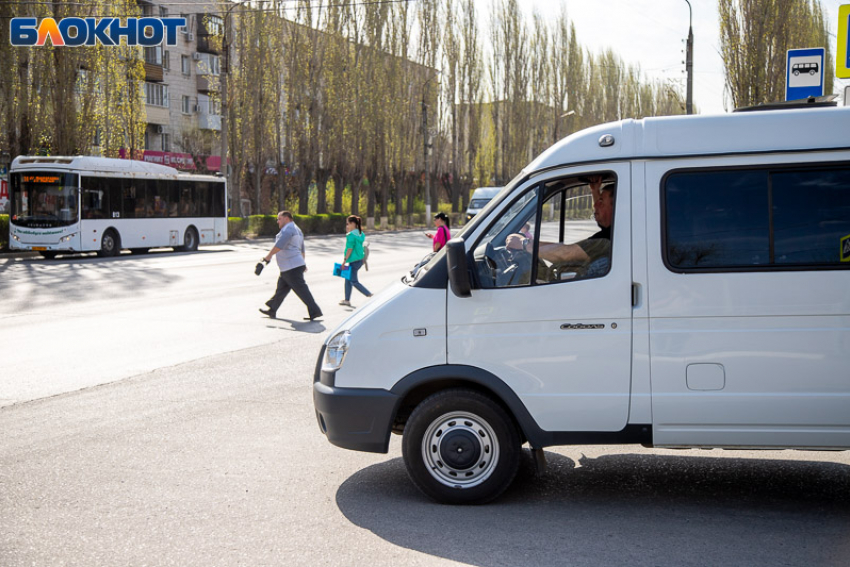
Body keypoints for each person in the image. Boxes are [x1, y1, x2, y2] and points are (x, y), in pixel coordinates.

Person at [506, 176, 614, 273]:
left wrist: (524, 244)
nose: (595, 205)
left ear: (615, 207)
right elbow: (562, 248)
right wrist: (595, 191)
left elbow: (567, 253)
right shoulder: (611, 231)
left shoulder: (606, 239)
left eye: (601, 201)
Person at [259, 211, 323, 321]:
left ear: (287, 218)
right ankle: (272, 309)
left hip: (291, 266)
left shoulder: (288, 229)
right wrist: (302, 263)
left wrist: (267, 257)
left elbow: (279, 246)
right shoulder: (297, 229)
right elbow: (302, 249)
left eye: (279, 218)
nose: (277, 221)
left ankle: (315, 311)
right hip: (290, 266)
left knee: (302, 290)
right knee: (281, 289)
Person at [339, 215, 373, 307]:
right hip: (360, 259)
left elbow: (349, 249)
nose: (347, 226)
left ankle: (370, 295)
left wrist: (344, 261)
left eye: (348, 223)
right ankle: (347, 300)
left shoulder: (350, 235)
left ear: (353, 224)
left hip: (353, 261)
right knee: (347, 279)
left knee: (354, 281)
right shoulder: (361, 233)